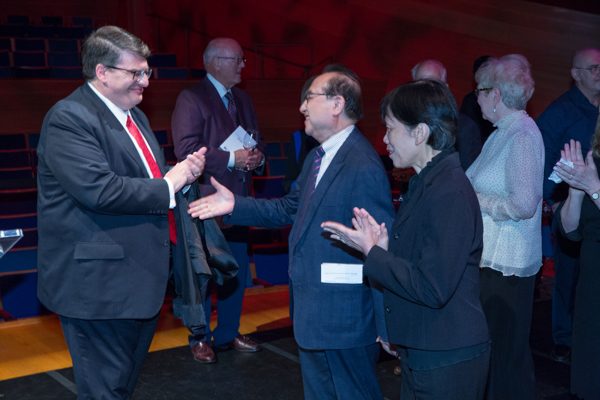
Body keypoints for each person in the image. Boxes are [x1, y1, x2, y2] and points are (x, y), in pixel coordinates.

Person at [189, 67, 394, 400]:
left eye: (309, 98)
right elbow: (288, 209)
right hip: (315, 315)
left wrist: (386, 327)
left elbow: (380, 249)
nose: (301, 107)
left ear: (337, 104)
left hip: (345, 321)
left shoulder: (362, 164)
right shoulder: (318, 156)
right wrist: (235, 205)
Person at [36, 26, 206, 399]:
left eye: (147, 71)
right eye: (135, 73)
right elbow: (100, 189)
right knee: (105, 391)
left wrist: (181, 176)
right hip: (98, 288)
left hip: (136, 282)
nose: (145, 81)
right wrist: (170, 184)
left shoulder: (133, 116)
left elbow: (143, 181)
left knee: (120, 387)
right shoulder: (69, 117)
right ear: (102, 72)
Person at [322, 79, 490, 399]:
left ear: (420, 133)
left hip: (446, 356)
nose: (384, 139)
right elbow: (421, 262)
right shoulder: (426, 183)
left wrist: (373, 253)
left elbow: (432, 287)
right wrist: (384, 249)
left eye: (390, 129)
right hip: (427, 349)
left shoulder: (449, 191)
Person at [171, 37, 264, 362]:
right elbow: (186, 151)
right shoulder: (191, 98)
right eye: (237, 59)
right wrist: (232, 159)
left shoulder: (244, 99)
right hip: (205, 202)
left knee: (236, 270)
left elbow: (255, 142)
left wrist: (256, 159)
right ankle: (199, 336)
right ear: (214, 62)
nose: (243, 65)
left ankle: (228, 331)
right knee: (203, 273)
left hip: (239, 202)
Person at [465, 54, 543, 400]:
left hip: (507, 268)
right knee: (498, 356)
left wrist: (476, 201)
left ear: (495, 94)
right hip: (493, 262)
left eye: (479, 91)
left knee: (506, 359)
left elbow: (524, 205)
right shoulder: (503, 133)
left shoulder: (521, 135)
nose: (476, 99)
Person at [537, 48, 600, 363]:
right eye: (594, 68)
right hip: (572, 204)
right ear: (576, 75)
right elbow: (541, 155)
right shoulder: (560, 111)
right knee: (567, 275)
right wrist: (552, 198)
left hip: (597, 204)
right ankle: (564, 338)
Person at [553, 135, 600, 400]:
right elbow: (570, 231)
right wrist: (575, 190)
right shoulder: (594, 162)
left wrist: (593, 188)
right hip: (591, 285)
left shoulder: (594, 177)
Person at [411, 59, 482, 169]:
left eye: (433, 82)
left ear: (445, 88)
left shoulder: (464, 128)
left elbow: (466, 175)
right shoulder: (408, 122)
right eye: (420, 84)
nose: (426, 89)